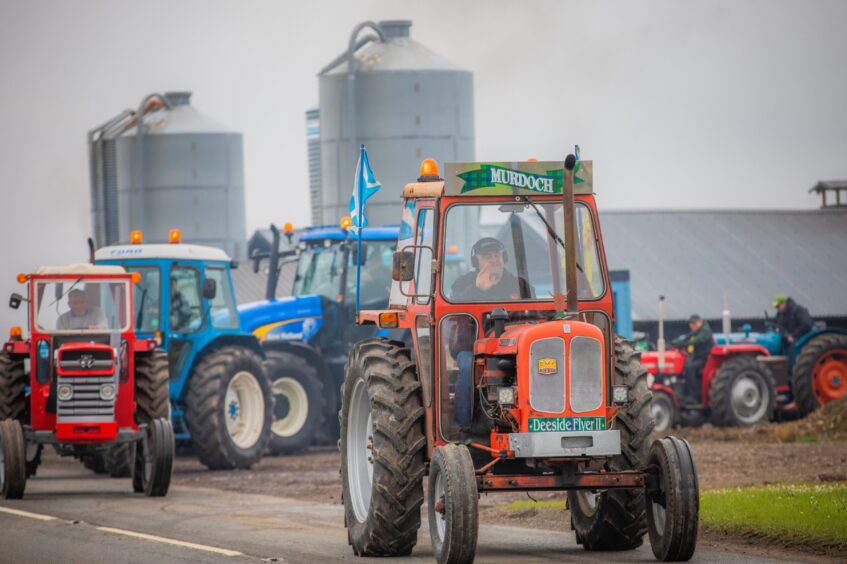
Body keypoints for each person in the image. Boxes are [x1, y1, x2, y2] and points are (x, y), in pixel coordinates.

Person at [450, 237, 534, 301]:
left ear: (504, 258)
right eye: (487, 257)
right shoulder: (462, 283)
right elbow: (453, 315)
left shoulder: (520, 285)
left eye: (497, 255)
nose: (494, 260)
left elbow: (536, 315)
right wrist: (476, 289)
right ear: (476, 261)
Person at [672, 314, 714, 404]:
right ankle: (681, 392)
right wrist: (673, 343)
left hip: (706, 359)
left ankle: (693, 396)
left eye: (694, 323)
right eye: (691, 323)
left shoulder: (705, 331)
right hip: (697, 358)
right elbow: (685, 338)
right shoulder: (695, 331)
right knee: (684, 367)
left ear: (700, 322)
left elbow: (697, 340)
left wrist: (684, 343)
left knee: (689, 368)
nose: (692, 325)